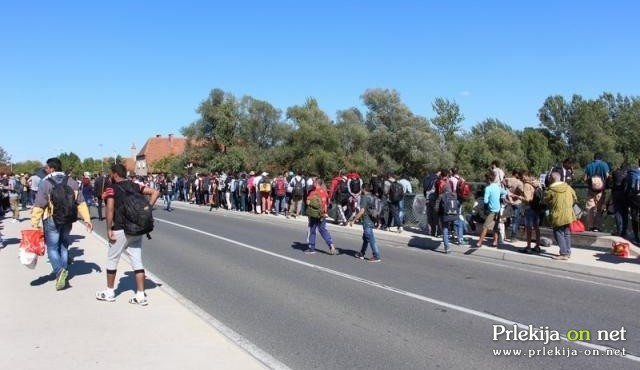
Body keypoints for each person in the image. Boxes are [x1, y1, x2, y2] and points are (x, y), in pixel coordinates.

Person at [95, 163, 160, 305]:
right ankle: (141, 295)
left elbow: (110, 208)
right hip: (137, 229)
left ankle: (109, 292)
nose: (110, 176)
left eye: (111, 173)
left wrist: (108, 228)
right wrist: (148, 208)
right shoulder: (135, 185)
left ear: (115, 174)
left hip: (120, 228)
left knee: (112, 259)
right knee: (137, 260)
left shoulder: (112, 188)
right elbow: (155, 192)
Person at [31, 157, 93, 291]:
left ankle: (59, 272)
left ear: (52, 168)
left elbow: (39, 204)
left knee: (52, 247)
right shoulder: (72, 182)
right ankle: (64, 271)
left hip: (51, 218)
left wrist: (35, 222)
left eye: (47, 168)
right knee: (64, 245)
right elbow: (81, 202)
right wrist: (87, 219)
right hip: (68, 218)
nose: (45, 170)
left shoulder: (45, 183)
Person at [545, 171, 577, 260]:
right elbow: (575, 198)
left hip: (557, 214)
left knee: (558, 233)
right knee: (566, 233)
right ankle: (567, 252)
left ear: (551, 178)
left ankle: (563, 254)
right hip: (568, 214)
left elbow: (545, 200)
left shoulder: (551, 190)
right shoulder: (568, 187)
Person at [304, 178, 337, 255]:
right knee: (323, 230)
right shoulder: (324, 192)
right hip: (323, 214)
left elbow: (308, 202)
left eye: (314, 182)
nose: (313, 183)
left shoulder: (313, 192)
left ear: (316, 183)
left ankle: (311, 248)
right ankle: (331, 245)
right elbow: (327, 202)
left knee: (312, 230)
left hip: (314, 214)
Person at [475, 171, 507, 248]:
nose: (485, 180)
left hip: (492, 210)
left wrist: (488, 200)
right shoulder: (498, 187)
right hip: (498, 210)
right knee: (495, 227)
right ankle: (495, 242)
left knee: (485, 226)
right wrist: (500, 197)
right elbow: (505, 192)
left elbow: (486, 201)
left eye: (485, 179)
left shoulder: (488, 188)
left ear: (488, 179)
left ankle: (479, 242)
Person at [351, 183, 381, 262]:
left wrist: (354, 220)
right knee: (365, 238)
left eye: (361, 188)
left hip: (367, 221)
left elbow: (362, 211)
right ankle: (362, 253)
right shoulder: (373, 197)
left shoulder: (364, 197)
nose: (361, 190)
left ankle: (376, 256)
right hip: (372, 220)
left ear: (363, 189)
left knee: (371, 239)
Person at [583, 153, 610, 232]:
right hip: (601, 191)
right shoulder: (604, 165)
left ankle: (590, 226)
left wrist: (590, 184)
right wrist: (605, 185)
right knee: (599, 209)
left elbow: (584, 178)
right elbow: (607, 176)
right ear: (601, 158)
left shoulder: (589, 165)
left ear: (594, 158)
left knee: (590, 209)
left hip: (591, 190)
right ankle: (596, 227)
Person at [518, 171, 542, 254]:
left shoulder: (527, 185)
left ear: (525, 176)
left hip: (529, 208)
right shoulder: (536, 183)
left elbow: (527, 199)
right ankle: (537, 246)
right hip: (536, 208)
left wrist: (519, 197)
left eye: (521, 177)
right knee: (536, 228)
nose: (521, 179)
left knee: (529, 228)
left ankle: (528, 247)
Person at [435, 182, 462, 254]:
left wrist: (438, 214)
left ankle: (447, 248)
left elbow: (436, 208)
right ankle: (460, 239)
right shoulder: (454, 195)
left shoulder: (441, 196)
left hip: (445, 215)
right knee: (458, 223)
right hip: (454, 215)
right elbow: (458, 205)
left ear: (443, 189)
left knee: (445, 229)